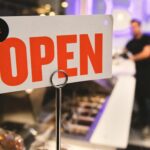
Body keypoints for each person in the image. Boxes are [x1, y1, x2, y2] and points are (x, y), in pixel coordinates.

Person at [125, 19, 150, 137]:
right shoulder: (130, 42)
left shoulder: (146, 38)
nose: (133, 29)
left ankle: (147, 127)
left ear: (140, 27)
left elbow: (147, 53)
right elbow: (124, 52)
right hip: (136, 76)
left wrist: (132, 58)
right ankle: (142, 123)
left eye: (135, 27)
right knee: (140, 101)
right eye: (131, 27)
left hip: (147, 74)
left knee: (147, 101)